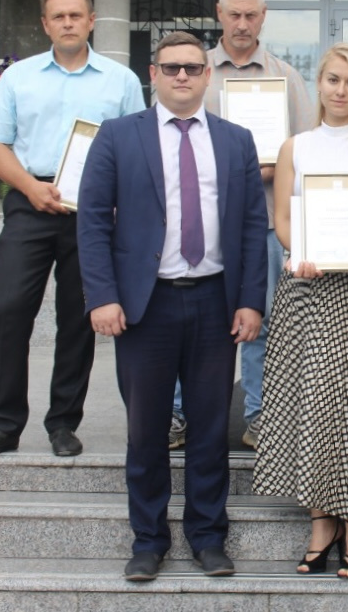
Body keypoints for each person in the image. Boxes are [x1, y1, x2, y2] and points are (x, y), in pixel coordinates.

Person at [78, 31, 267, 582]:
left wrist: (251, 301)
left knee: (210, 428)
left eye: (191, 67)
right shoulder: (117, 136)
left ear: (208, 75)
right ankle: (148, 540)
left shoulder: (236, 140)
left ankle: (208, 537)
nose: (181, 76)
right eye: (170, 67)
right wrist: (103, 296)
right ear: (153, 74)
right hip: (146, 305)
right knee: (147, 430)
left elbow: (253, 226)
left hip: (214, 302)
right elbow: (92, 220)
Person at [253, 43, 348, 580]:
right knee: (308, 402)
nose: (341, 91)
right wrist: (299, 251)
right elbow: (282, 219)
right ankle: (321, 519)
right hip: (305, 288)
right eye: (333, 80)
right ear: (318, 83)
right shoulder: (294, 147)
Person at [0, 0, 145, 461]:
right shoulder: (18, 77)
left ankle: (63, 422)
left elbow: (136, 148)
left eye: (76, 15)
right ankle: (4, 424)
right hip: (30, 201)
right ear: (45, 25)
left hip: (93, 211)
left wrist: (117, 203)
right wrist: (30, 187)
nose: (68, 23)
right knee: (9, 310)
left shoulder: (120, 80)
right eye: (58, 16)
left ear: (91, 21)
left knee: (77, 318)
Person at [203, 0, 316, 450]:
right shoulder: (195, 72)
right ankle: (184, 415)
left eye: (251, 15)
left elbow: (306, 149)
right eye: (234, 14)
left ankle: (259, 416)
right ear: (219, 14)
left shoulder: (286, 77)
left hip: (266, 222)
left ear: (264, 16)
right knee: (198, 322)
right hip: (201, 223)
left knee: (261, 320)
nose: (242, 24)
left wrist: (269, 169)